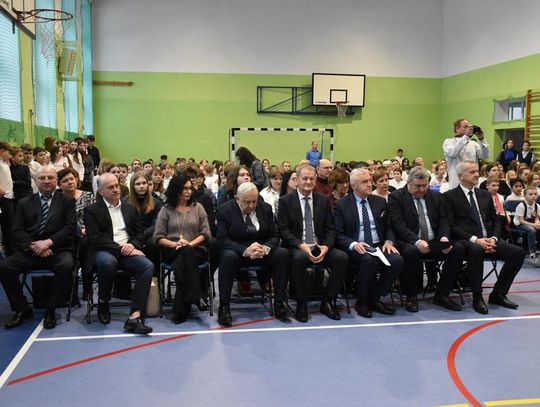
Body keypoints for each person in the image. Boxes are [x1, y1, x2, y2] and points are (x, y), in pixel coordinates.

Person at [441, 160, 525, 314]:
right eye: (472, 172)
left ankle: (498, 293)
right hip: (467, 240)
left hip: (489, 239)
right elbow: (452, 226)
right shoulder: (449, 197)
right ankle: (477, 296)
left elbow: (496, 220)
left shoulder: (485, 194)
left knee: (517, 253)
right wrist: (475, 239)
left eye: (477, 171)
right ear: (460, 176)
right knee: (477, 250)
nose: (476, 174)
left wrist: (494, 238)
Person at [0, 166, 76, 329]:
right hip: (31, 250)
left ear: (56, 180)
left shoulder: (67, 201)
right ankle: (22, 309)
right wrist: (34, 246)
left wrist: (48, 242)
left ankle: (51, 309)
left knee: (67, 266)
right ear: (35, 180)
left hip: (57, 249)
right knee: (5, 267)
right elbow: (17, 230)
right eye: (42, 178)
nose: (47, 181)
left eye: (50, 177)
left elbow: (69, 228)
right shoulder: (24, 202)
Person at [277, 164, 348, 323]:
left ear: (316, 181)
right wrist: (300, 245)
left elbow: (331, 228)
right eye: (305, 178)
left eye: (311, 179)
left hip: (319, 245)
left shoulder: (323, 200)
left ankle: (328, 301)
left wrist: (326, 246)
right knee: (298, 259)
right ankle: (301, 303)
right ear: (297, 180)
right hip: (298, 246)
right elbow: (283, 230)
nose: (308, 182)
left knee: (341, 258)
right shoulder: (285, 201)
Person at [84, 173, 154, 334]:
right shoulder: (92, 210)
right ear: (101, 191)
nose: (116, 189)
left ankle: (135, 315)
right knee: (109, 262)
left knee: (147, 266)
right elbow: (95, 238)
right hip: (104, 251)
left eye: (117, 186)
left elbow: (140, 233)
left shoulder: (129, 208)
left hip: (127, 250)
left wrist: (132, 245)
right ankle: (103, 302)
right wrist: (121, 247)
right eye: (111, 187)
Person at [388, 167, 465, 312]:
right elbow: (398, 225)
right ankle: (411, 296)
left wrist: (444, 238)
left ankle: (442, 294)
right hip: (410, 241)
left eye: (425, 185)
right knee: (410, 252)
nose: (422, 189)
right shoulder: (396, 197)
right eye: (418, 186)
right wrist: (417, 242)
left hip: (433, 240)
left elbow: (443, 220)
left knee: (458, 249)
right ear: (409, 183)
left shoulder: (435, 196)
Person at [217, 182, 290, 325]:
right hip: (238, 254)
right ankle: (224, 307)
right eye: (247, 202)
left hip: (261, 252)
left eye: (254, 201)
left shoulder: (266, 208)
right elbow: (223, 240)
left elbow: (274, 236)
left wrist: (265, 248)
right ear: (238, 198)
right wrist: (245, 250)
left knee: (282, 254)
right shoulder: (224, 210)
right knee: (227, 257)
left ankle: (279, 303)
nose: (251, 205)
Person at [334, 168, 403, 318]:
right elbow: (338, 234)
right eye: (364, 182)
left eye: (370, 181)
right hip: (357, 247)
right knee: (369, 260)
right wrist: (353, 244)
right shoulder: (341, 205)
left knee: (397, 260)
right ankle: (362, 302)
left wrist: (389, 241)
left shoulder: (380, 202)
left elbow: (389, 227)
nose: (370, 184)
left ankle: (375, 298)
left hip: (379, 245)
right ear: (354, 186)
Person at [154, 174, 211, 323]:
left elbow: (205, 233)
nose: (188, 191)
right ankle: (194, 294)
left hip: (195, 249)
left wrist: (190, 244)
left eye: (190, 188)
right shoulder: (166, 210)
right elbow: (158, 237)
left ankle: (181, 308)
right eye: (184, 189)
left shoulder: (198, 208)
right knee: (184, 257)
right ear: (176, 190)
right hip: (172, 250)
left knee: (186, 256)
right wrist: (176, 244)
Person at [128, 171, 163, 271]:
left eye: (144, 183)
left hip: (149, 234)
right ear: (132, 186)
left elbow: (155, 225)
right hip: (131, 234)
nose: (142, 186)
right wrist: (135, 240)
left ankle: (154, 276)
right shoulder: (125, 202)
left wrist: (141, 238)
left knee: (153, 244)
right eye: (138, 184)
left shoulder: (157, 203)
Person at [443, 118, 489, 188]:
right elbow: (453, 153)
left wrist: (482, 139)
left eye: (470, 127)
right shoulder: (449, 142)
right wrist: (466, 136)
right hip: (457, 182)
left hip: (472, 183)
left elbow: (485, 156)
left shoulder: (474, 143)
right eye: (466, 127)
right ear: (457, 129)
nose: (469, 129)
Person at [513, 185, 540, 265]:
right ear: (524, 196)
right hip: (520, 224)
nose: (533, 196)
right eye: (531, 194)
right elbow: (521, 221)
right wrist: (534, 225)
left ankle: (538, 249)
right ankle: (532, 253)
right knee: (531, 230)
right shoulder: (521, 206)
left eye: (535, 194)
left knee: (535, 228)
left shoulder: (537, 206)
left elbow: (537, 217)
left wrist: (537, 223)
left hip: (531, 223)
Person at [0, 142, 16, 255]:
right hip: (3, 197)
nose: (10, 156)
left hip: (9, 197)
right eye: (9, 153)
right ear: (1, 152)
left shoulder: (5, 163)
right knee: (7, 226)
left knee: (9, 226)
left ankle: (9, 249)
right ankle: (10, 251)